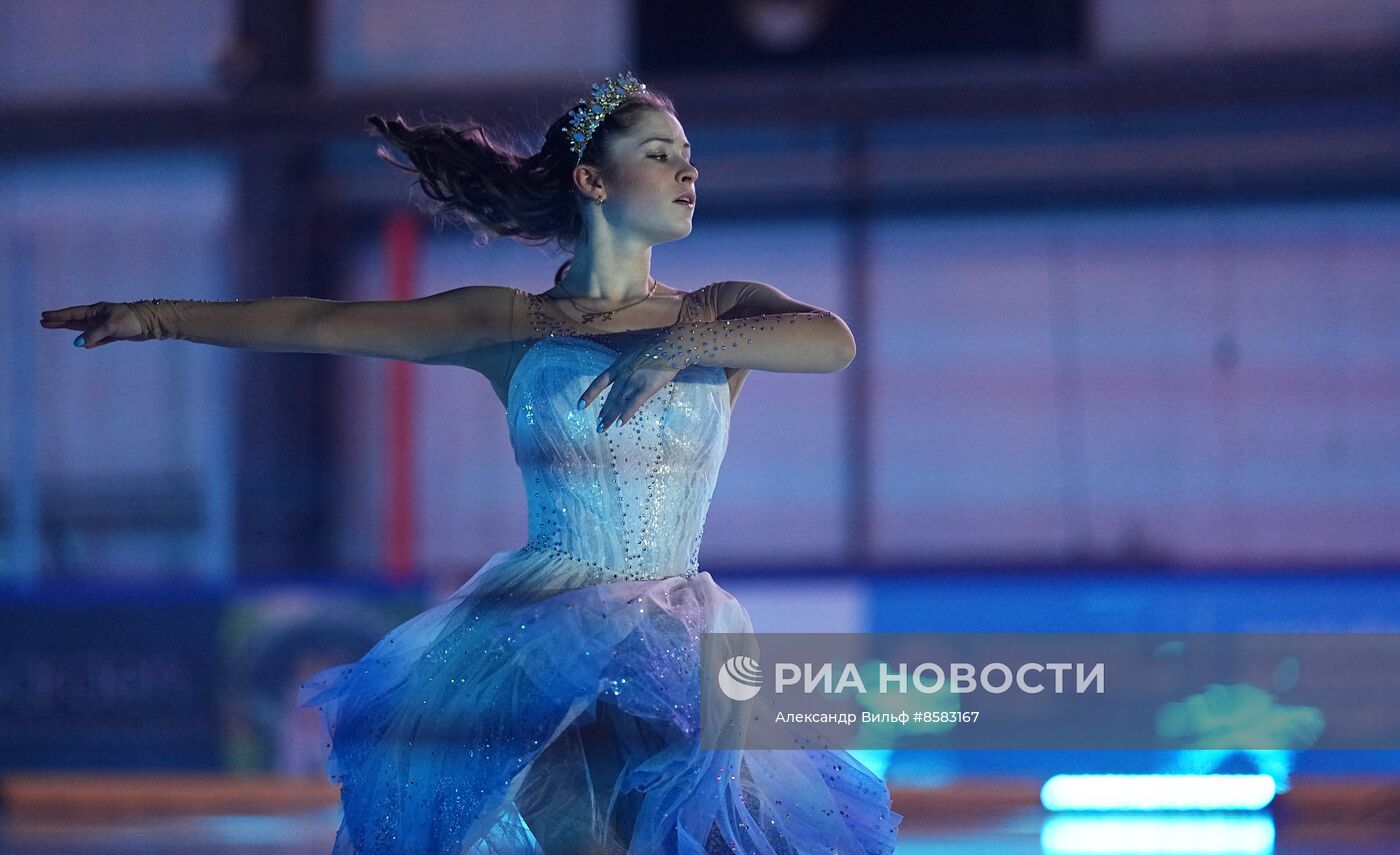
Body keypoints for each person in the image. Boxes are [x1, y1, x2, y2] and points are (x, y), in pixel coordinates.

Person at [39, 71, 902, 854]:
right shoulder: (512, 322)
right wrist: (153, 314)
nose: (688, 172)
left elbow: (833, 341)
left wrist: (684, 347)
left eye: (688, 157)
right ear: (593, 182)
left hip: (679, 628)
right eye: (660, 154)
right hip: (540, 630)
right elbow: (320, 323)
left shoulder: (722, 309)